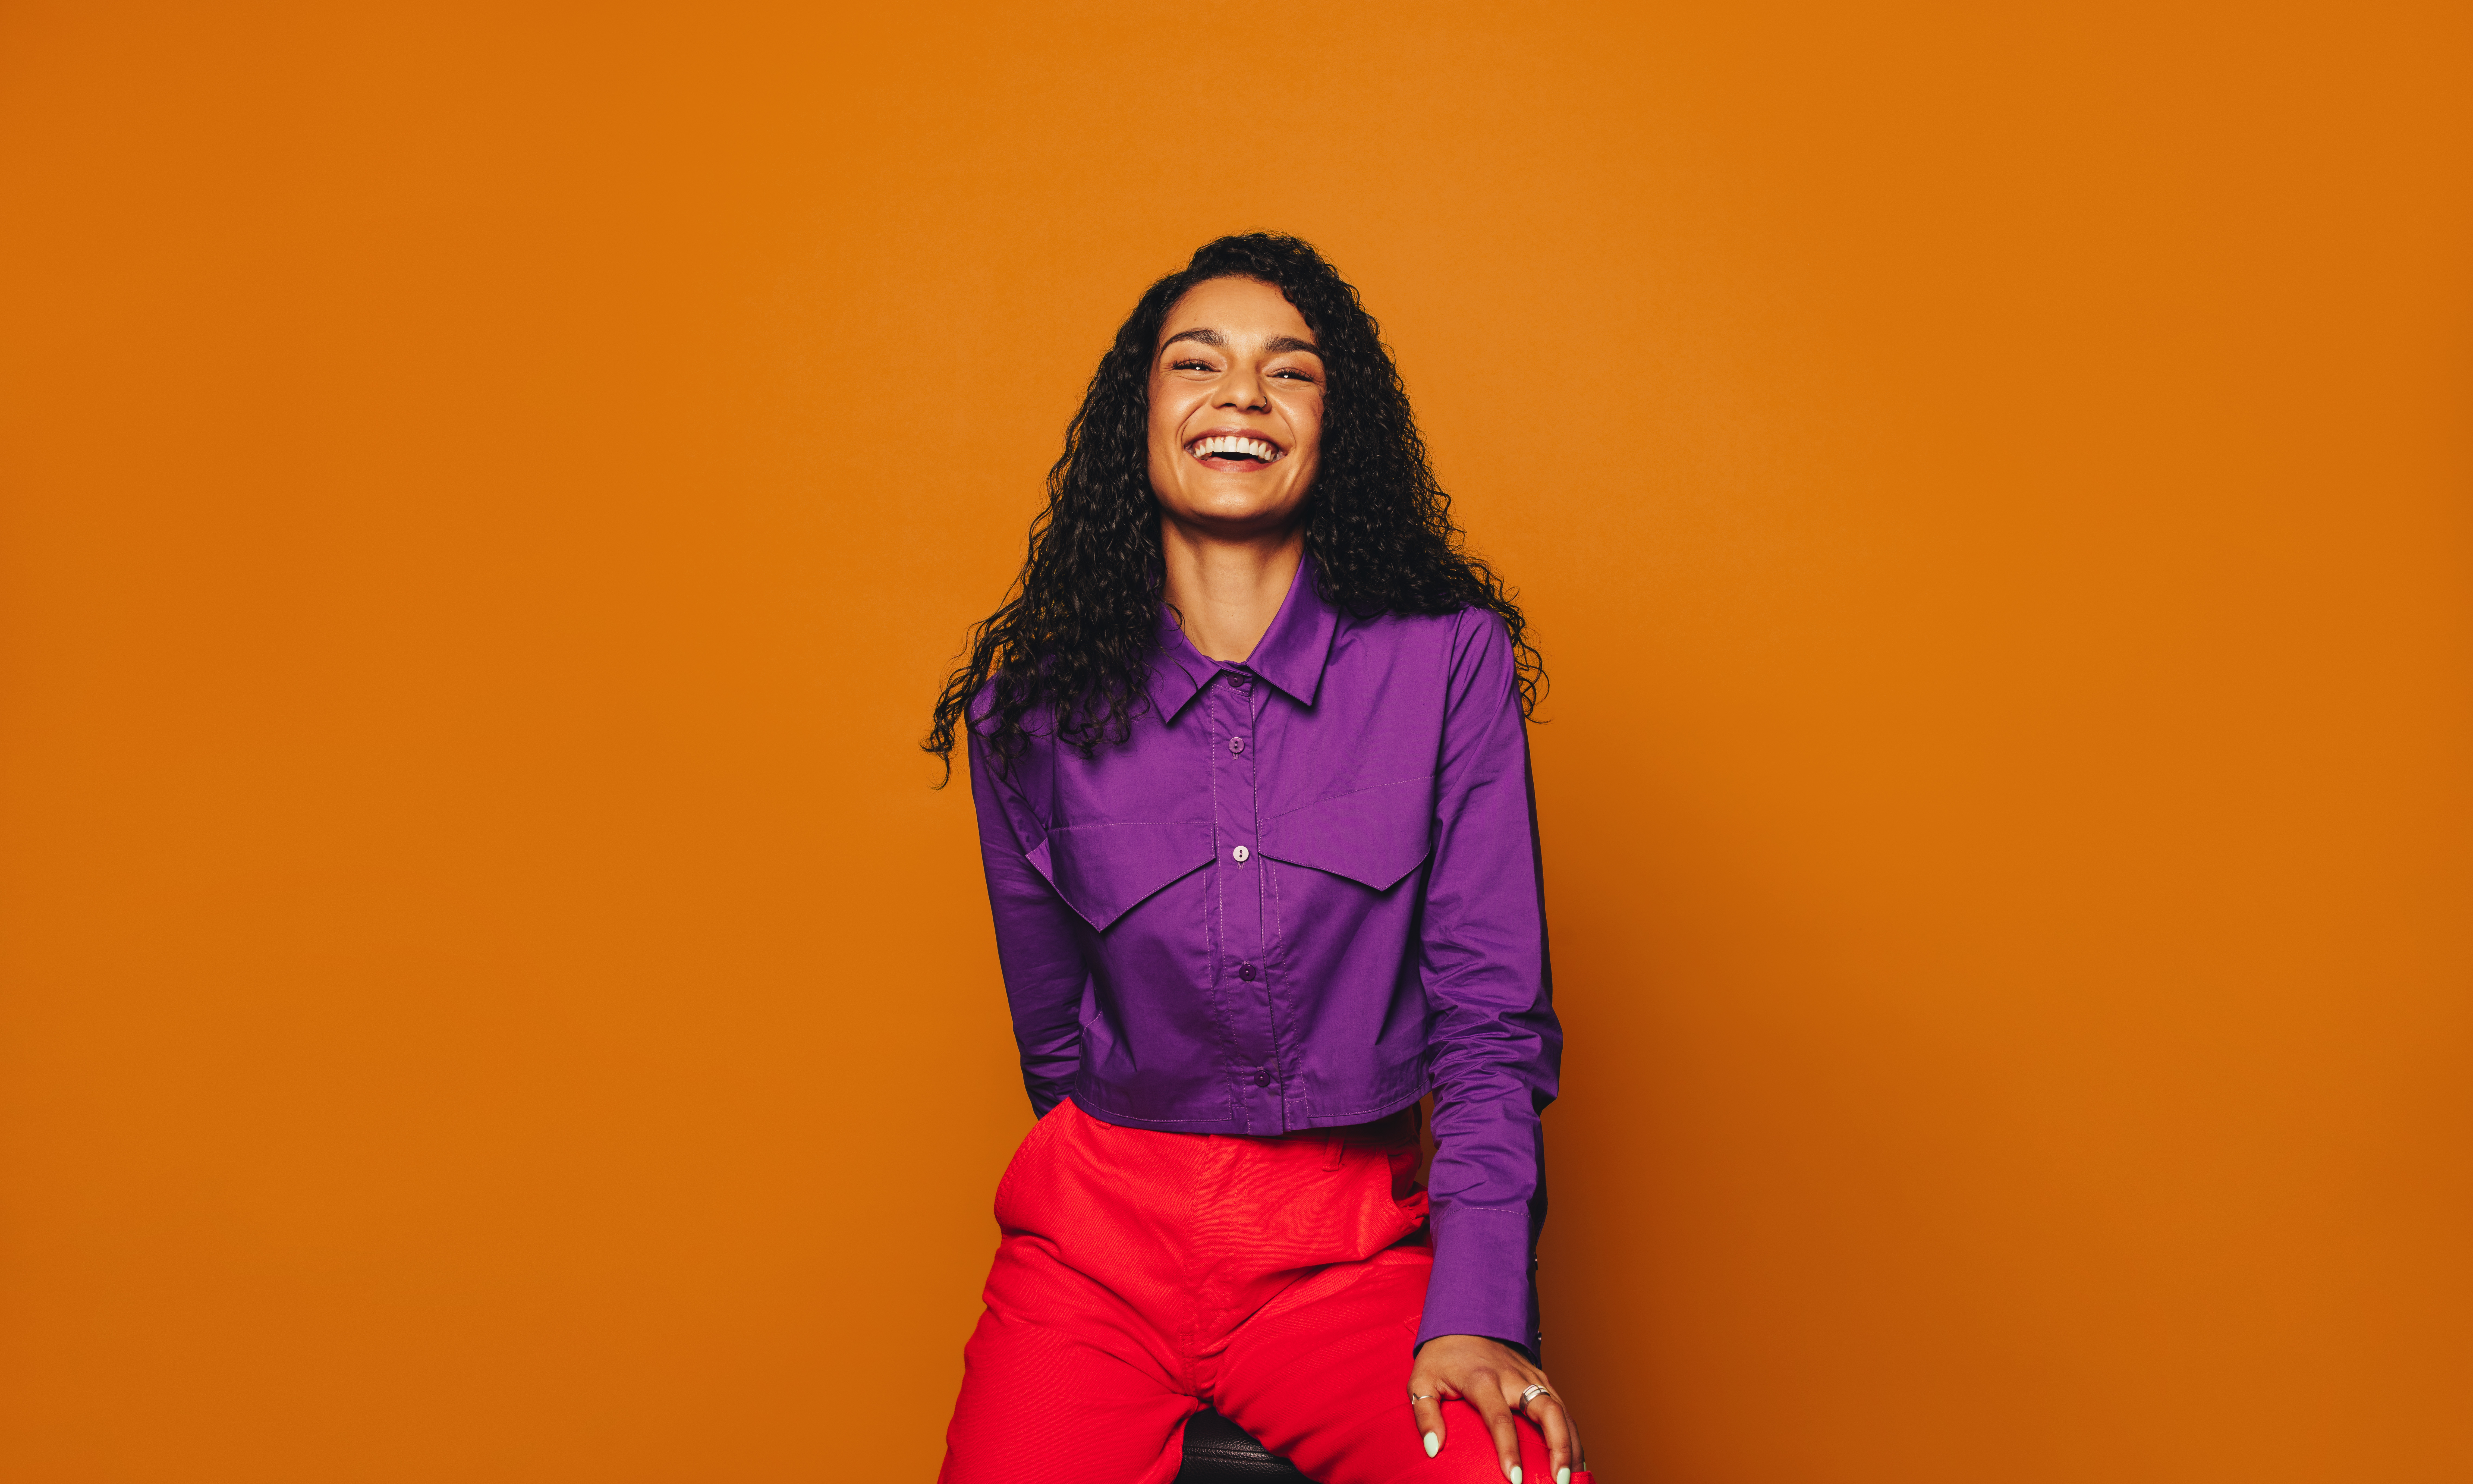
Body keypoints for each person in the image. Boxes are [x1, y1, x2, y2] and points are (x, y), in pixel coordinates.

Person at [926, 234, 1586, 1484]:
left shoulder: (1447, 663)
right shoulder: (1029, 712)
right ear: (1141, 417)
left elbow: (1491, 1023)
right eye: (1198, 363)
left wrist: (1480, 1307)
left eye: (1290, 371)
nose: (1243, 394)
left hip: (1347, 1258)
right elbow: (1054, 1043)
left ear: (1339, 427)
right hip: (1092, 1264)